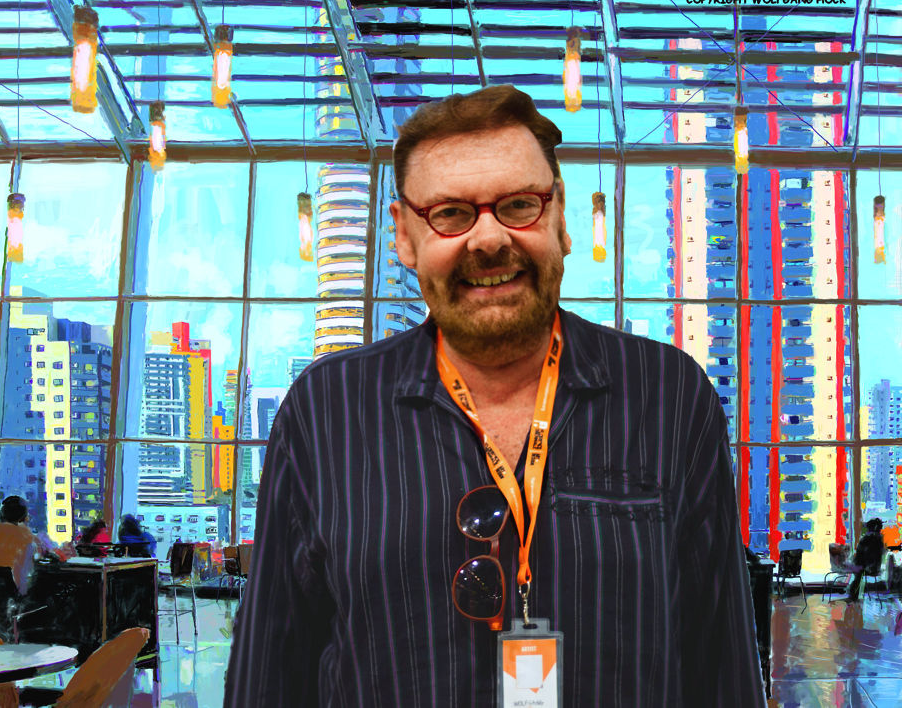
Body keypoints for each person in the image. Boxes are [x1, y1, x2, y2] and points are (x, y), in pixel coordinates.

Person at [225, 85, 763, 706]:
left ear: (559, 217)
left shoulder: (667, 397)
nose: (488, 239)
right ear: (404, 236)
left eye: (518, 205)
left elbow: (720, 666)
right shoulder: (326, 411)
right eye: (451, 213)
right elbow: (271, 673)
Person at [846, 518, 886, 602]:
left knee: (857, 574)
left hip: (867, 567)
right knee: (856, 574)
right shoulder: (879, 539)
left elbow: (861, 554)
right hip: (872, 567)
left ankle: (853, 596)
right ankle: (854, 595)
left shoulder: (868, 539)